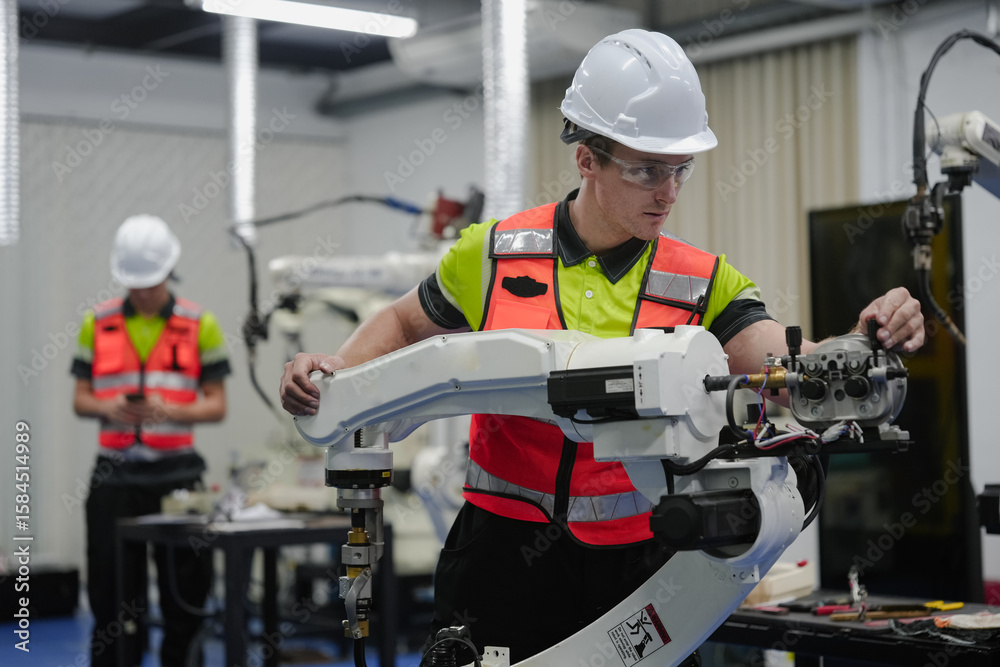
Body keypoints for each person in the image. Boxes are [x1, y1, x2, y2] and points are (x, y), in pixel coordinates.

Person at [279, 29, 925, 663]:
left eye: (680, 170)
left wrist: (863, 346)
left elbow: (792, 368)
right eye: (647, 170)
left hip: (642, 559)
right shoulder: (493, 255)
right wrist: (336, 372)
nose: (668, 192)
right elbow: (401, 324)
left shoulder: (703, 280)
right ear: (587, 158)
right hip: (502, 558)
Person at [71, 214, 230, 667]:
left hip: (177, 477)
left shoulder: (201, 324)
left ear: (169, 270)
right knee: (113, 596)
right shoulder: (96, 323)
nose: (142, 290)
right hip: (114, 477)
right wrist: (107, 406)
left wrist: (169, 409)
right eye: (134, 282)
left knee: (187, 597)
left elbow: (217, 405)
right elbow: (80, 399)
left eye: (151, 280)